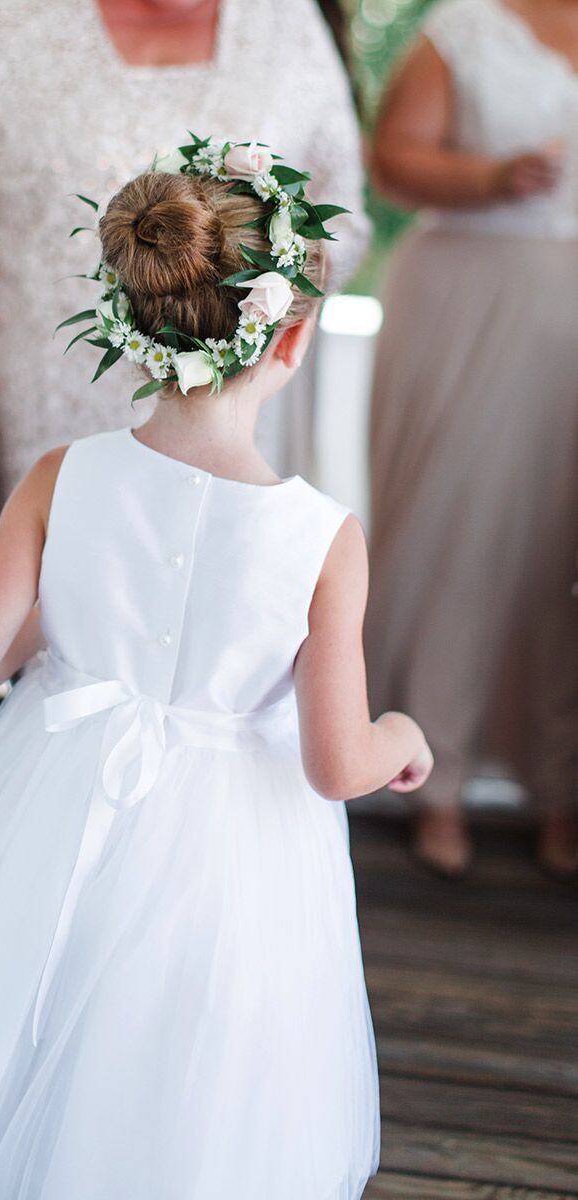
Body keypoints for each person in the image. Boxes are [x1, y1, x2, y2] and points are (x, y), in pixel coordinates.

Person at [0, 140, 429, 1199]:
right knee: (185, 1091)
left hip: (46, 819)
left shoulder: (61, 477)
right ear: (293, 335)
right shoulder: (321, 538)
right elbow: (336, 763)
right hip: (230, 868)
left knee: (17, 1051)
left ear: (127, 324)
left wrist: (70, 612)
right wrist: (404, 741)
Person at [0, 0, 370, 791]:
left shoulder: (285, 27)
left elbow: (347, 217)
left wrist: (255, 294)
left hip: (226, 443)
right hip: (25, 415)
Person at [364, 0, 578, 877]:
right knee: (456, 534)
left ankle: (558, 784)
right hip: (470, 294)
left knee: (556, 553)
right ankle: (430, 775)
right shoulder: (463, 31)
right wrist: (492, 179)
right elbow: (390, 163)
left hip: (569, 310)